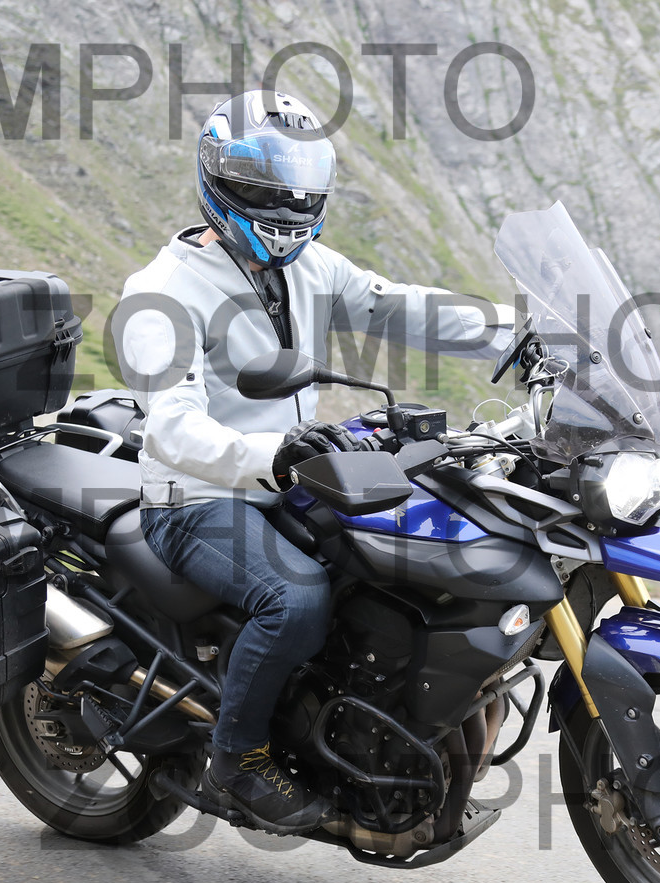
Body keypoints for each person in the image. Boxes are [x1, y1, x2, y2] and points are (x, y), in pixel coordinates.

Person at [120, 89, 517, 833]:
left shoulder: (308, 268)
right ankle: (237, 760)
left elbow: (396, 305)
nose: (288, 207)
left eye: (301, 193)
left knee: (407, 559)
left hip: (289, 477)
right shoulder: (160, 295)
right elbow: (172, 429)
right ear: (220, 181)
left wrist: (517, 332)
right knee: (296, 598)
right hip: (195, 499)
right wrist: (274, 455)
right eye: (268, 191)